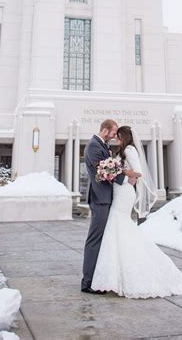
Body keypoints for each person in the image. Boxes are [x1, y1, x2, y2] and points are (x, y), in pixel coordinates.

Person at [91, 125, 182, 298]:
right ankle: (116, 275)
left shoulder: (129, 150)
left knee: (118, 223)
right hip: (119, 191)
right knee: (118, 228)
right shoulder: (122, 151)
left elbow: (138, 173)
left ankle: (123, 274)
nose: (116, 139)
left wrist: (124, 173)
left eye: (118, 136)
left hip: (124, 193)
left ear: (125, 137)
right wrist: (118, 171)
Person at [81, 119, 140, 294]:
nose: (114, 137)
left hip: (108, 198)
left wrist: (126, 175)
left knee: (105, 240)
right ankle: (88, 282)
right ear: (105, 130)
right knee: (95, 240)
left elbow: (110, 168)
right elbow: (102, 170)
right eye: (113, 133)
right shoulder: (93, 146)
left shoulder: (103, 146)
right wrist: (126, 175)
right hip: (100, 199)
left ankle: (99, 278)